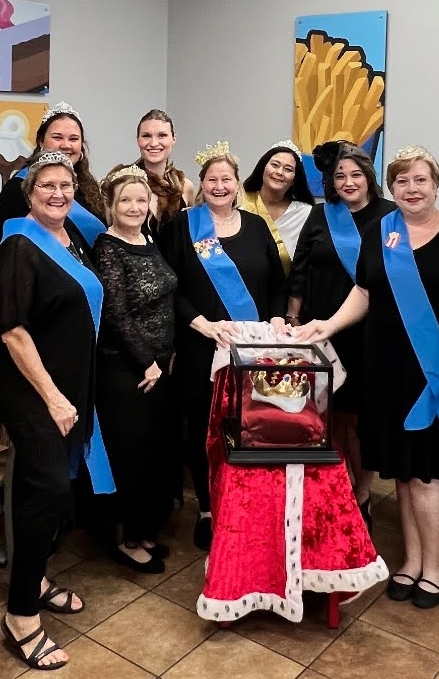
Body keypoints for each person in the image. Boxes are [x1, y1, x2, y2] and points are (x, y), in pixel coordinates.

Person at [299, 146, 439, 609]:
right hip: (387, 368)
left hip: (438, 373)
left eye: (420, 180)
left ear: (436, 185)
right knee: (403, 473)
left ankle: (435, 567)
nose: (412, 188)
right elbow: (364, 291)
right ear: (393, 187)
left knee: (429, 473)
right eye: (402, 181)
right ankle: (412, 560)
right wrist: (329, 324)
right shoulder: (381, 231)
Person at [0, 152, 115, 670]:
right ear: (29, 193)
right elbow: (13, 332)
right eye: (47, 186)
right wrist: (54, 397)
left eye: (66, 186)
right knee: (49, 487)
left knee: (48, 488)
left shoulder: (73, 238)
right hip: (29, 387)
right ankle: (20, 616)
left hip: (68, 382)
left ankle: (35, 577)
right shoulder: (18, 245)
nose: (58, 194)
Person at [160, 141, 287, 550]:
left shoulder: (257, 226)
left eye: (226, 179)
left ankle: (246, 503)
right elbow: (168, 286)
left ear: (237, 183)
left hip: (252, 348)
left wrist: (278, 318)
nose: (219, 186)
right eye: (212, 179)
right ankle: (208, 508)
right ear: (202, 184)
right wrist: (201, 323)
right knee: (204, 428)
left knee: (250, 426)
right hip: (201, 345)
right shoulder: (182, 227)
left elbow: (278, 284)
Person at [287, 141, 394, 528]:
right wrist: (292, 317)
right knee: (329, 417)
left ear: (368, 177)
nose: (348, 182)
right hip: (321, 330)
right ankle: (337, 487)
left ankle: (362, 494)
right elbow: (299, 269)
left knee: (360, 421)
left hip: (369, 332)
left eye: (355, 175)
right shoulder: (321, 215)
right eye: (339, 176)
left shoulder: (390, 216)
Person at [93, 164, 179, 573]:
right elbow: (116, 313)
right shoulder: (107, 248)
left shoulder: (148, 238)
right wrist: (147, 361)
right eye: (125, 200)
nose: (133, 206)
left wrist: (166, 355)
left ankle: (144, 530)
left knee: (152, 454)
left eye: (140, 200)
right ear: (111, 206)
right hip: (126, 370)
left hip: (158, 368)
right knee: (129, 456)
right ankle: (126, 539)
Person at [0, 101, 106, 265]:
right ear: (41, 142)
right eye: (57, 137)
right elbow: (7, 252)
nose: (66, 145)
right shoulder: (19, 188)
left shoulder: (88, 186)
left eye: (73, 139)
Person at [240, 139, 314, 275]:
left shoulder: (305, 213)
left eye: (288, 169)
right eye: (275, 165)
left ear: (294, 179)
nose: (280, 172)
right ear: (263, 167)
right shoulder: (239, 202)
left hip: (286, 286)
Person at [133, 109, 196, 234]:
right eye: (146, 136)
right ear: (138, 140)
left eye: (162, 135)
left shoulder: (186, 187)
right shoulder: (123, 183)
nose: (154, 143)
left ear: (174, 138)